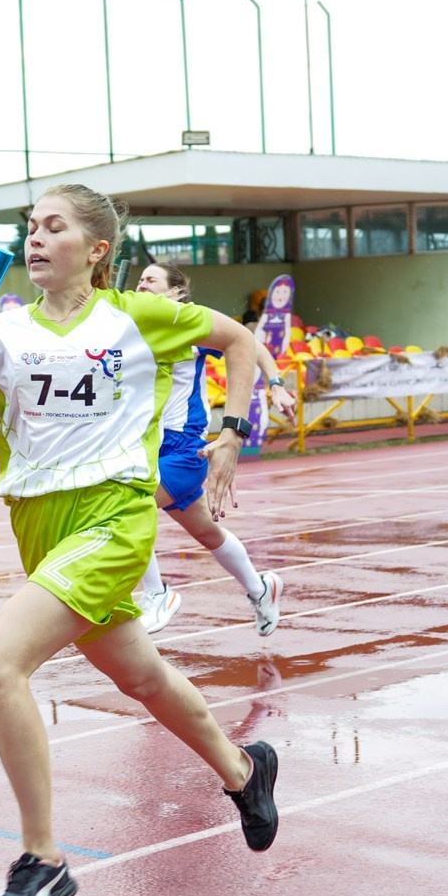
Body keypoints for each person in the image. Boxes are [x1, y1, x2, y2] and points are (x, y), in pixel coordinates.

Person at [0, 182, 282, 896]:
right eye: (31, 227)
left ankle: (43, 859)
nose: (36, 238)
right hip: (40, 529)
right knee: (143, 676)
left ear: (97, 248)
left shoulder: (136, 316)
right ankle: (246, 769)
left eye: (54, 227)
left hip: (113, 521)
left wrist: (233, 430)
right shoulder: (4, 333)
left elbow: (242, 341)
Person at [127, 263, 282, 638]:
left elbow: (251, 344)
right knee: (208, 533)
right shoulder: (132, 327)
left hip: (183, 450)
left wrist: (276, 383)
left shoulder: (189, 327)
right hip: (145, 446)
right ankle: (261, 588)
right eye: (140, 279)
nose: (142, 284)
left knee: (126, 508)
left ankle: (157, 594)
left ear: (176, 292)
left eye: (152, 279)